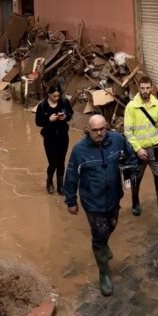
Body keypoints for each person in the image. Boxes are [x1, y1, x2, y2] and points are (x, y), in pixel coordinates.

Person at [63, 115, 138, 296]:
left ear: (107, 128)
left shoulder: (117, 140)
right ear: (88, 130)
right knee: (99, 235)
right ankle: (104, 273)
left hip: (113, 197)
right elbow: (72, 175)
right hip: (92, 201)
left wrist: (132, 174)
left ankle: (104, 244)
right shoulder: (79, 150)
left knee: (111, 225)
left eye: (102, 129)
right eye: (95, 130)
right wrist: (71, 201)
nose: (99, 133)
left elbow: (130, 155)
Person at [123, 76, 158, 228]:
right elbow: (128, 132)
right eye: (142, 88)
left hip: (156, 149)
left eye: (148, 88)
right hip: (139, 152)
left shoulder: (157, 104)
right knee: (136, 179)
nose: (145, 91)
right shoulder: (131, 107)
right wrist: (138, 149)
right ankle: (135, 202)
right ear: (138, 88)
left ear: (151, 88)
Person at [35, 86, 73, 194]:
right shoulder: (42, 106)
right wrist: (49, 119)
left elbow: (70, 114)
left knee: (61, 161)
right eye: (54, 96)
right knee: (53, 162)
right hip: (49, 137)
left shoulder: (64, 102)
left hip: (63, 136)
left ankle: (60, 185)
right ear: (49, 94)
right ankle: (49, 181)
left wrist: (65, 116)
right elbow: (38, 122)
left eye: (58, 95)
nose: (57, 98)